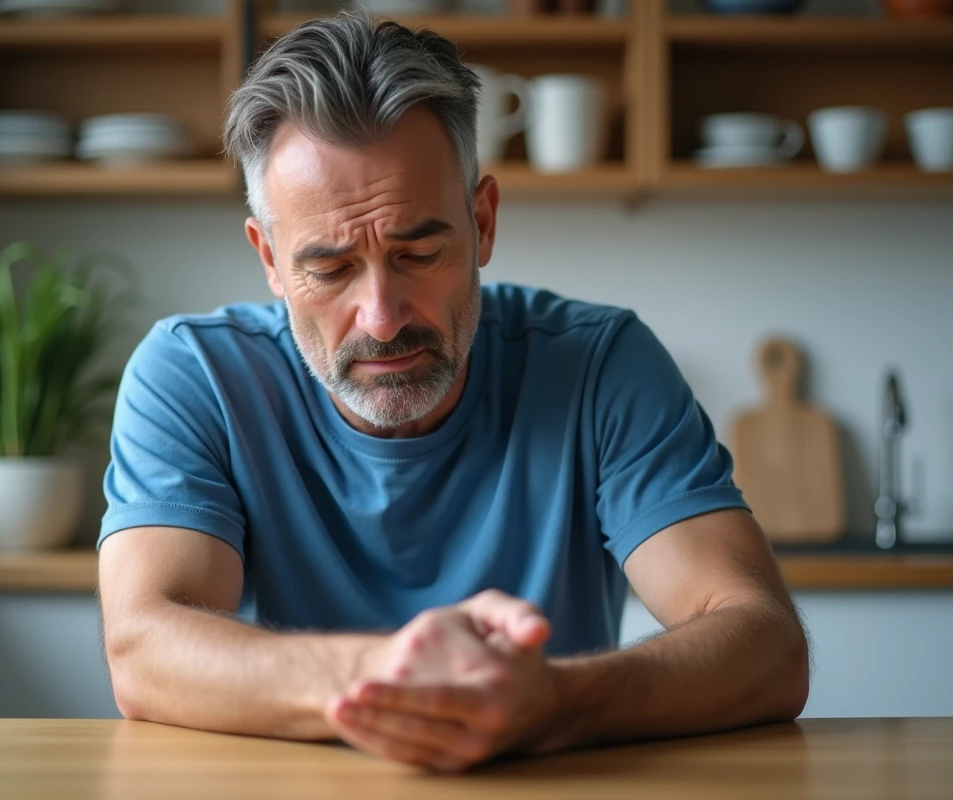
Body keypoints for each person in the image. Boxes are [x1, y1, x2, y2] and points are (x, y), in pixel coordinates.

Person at [97, 11, 809, 773]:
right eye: (330, 269)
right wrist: (393, 676)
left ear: (483, 222)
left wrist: (557, 702)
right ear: (269, 258)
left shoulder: (602, 364)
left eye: (420, 253)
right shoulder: (195, 375)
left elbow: (765, 644)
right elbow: (144, 649)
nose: (381, 317)